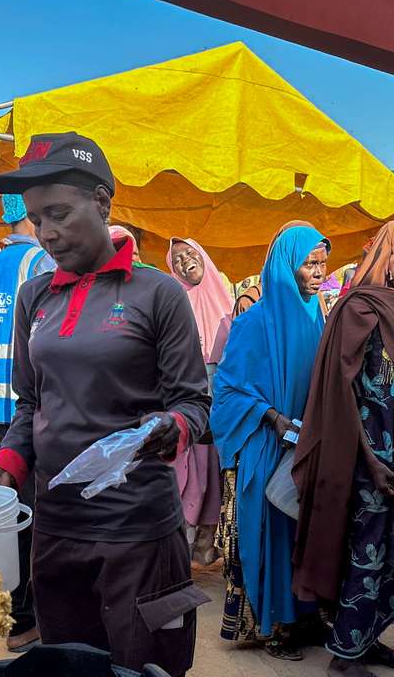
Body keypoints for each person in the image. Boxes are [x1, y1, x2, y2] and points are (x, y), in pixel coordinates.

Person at [0, 132, 211, 677]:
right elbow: (29, 404)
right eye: (35, 220)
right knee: (68, 662)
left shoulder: (157, 294)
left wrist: (172, 426)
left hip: (137, 528)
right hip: (57, 525)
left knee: (144, 664)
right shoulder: (34, 298)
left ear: (102, 203)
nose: (47, 233)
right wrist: (7, 468)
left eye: (59, 213)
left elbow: (195, 403)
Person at [293, 220, 394, 677]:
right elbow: (343, 393)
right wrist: (373, 463)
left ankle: (368, 640)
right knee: (366, 549)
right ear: (387, 256)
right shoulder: (356, 309)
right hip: (364, 457)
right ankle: (345, 655)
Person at [212, 224, 329, 660]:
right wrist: (274, 417)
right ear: (286, 265)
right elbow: (228, 391)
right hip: (265, 447)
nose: (318, 273)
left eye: (322, 264)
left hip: (306, 447)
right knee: (274, 533)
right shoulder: (253, 323)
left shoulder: (318, 318)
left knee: (304, 533)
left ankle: (304, 615)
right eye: (309, 264)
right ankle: (276, 624)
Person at [0, 192, 55, 651]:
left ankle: (16, 614)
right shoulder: (39, 263)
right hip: (30, 408)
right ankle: (27, 619)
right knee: (37, 517)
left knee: (11, 517)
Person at [167, 236, 227, 564]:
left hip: (225, 412)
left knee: (217, 479)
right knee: (191, 477)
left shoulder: (230, 307)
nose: (184, 260)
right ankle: (185, 547)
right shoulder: (176, 304)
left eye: (190, 252)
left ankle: (205, 544)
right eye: (175, 259)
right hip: (190, 410)